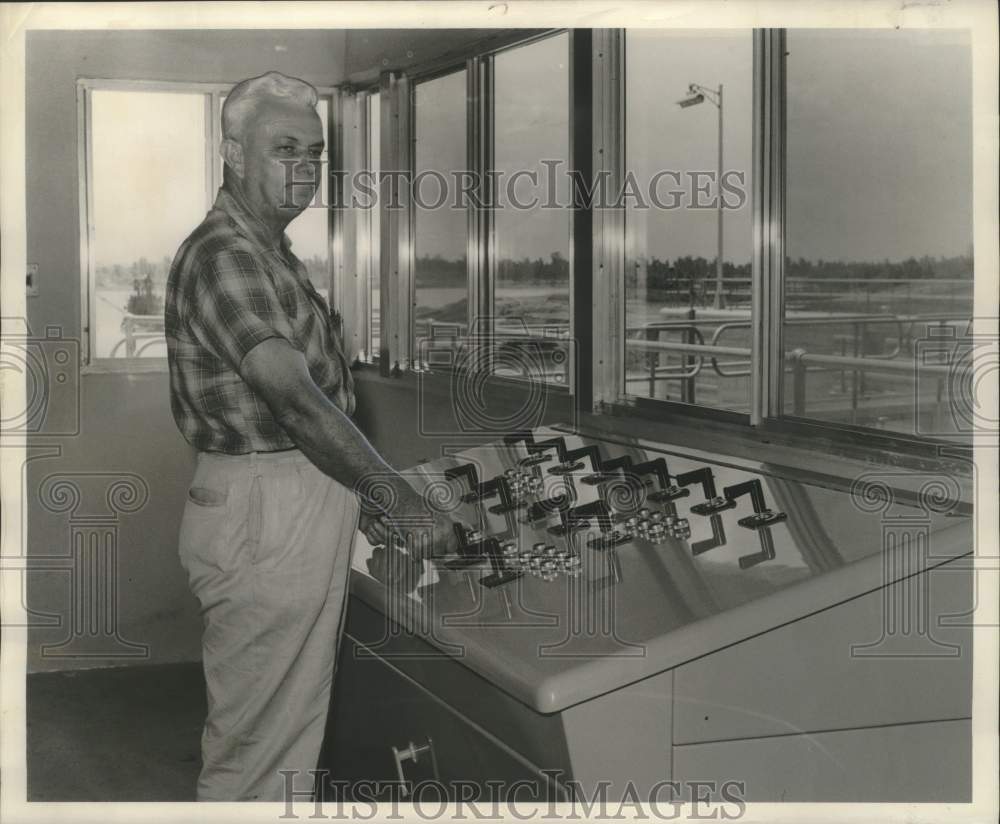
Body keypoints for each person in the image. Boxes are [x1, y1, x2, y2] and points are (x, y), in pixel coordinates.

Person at [164, 70, 458, 802]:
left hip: (293, 496)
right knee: (259, 757)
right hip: (271, 506)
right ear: (232, 152)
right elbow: (295, 403)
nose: (304, 167)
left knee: (283, 740)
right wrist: (402, 500)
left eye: (316, 152)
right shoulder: (226, 256)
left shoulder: (269, 253)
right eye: (283, 148)